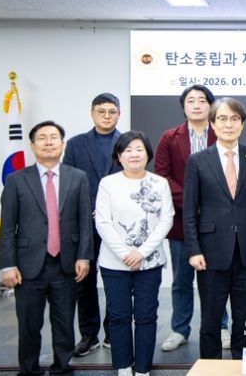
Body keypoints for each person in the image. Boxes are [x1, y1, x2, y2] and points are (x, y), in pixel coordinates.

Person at [0, 120, 93, 376]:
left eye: (54, 137)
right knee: (29, 324)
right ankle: (28, 370)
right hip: (27, 265)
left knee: (64, 322)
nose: (48, 142)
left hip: (66, 263)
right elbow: (7, 226)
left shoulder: (78, 177)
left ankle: (62, 367)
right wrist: (8, 265)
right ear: (32, 145)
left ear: (62, 144)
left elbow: (85, 222)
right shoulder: (16, 179)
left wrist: (84, 257)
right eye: (42, 138)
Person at [184, 97, 246, 359]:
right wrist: (193, 250)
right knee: (210, 320)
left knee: (245, 319)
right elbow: (189, 210)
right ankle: (211, 368)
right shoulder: (198, 160)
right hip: (210, 253)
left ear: (242, 124)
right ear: (212, 123)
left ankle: (241, 366)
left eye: (234, 119)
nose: (228, 124)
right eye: (222, 118)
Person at [155, 85, 230, 352]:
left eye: (202, 100)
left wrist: (208, 202)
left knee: (217, 279)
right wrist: (191, 200)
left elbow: (229, 173)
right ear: (183, 106)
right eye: (191, 100)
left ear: (210, 106)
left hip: (216, 222)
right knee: (182, 280)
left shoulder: (222, 133)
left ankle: (220, 326)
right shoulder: (169, 138)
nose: (197, 105)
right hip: (181, 223)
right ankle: (180, 329)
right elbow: (163, 175)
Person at [95, 131, 174, 376]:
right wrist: (125, 253)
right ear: (119, 156)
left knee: (146, 316)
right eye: (127, 150)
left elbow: (166, 219)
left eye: (139, 149)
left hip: (149, 262)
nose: (134, 154)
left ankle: (142, 368)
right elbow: (102, 222)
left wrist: (141, 252)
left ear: (148, 154)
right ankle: (123, 365)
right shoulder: (108, 183)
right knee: (118, 316)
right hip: (114, 263)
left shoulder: (159, 183)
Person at [63, 92, 121, 356]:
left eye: (112, 111)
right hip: (84, 223)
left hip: (117, 225)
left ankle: (112, 331)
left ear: (119, 114)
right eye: (101, 111)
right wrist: (88, 209)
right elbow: (68, 183)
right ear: (92, 113)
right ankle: (89, 334)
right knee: (84, 280)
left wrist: (109, 210)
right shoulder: (76, 144)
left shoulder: (128, 142)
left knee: (116, 280)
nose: (107, 116)